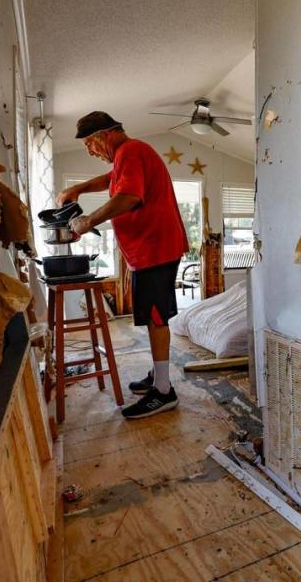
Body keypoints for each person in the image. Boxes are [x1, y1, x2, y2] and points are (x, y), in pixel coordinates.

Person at [58, 111, 188, 419]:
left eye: (90, 144)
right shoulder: (126, 158)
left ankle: (164, 392)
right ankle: (159, 376)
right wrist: (77, 189)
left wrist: (87, 220)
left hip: (156, 248)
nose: (90, 152)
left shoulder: (131, 150)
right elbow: (110, 180)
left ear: (105, 135)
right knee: (151, 317)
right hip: (151, 249)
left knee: (156, 317)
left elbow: (128, 197)